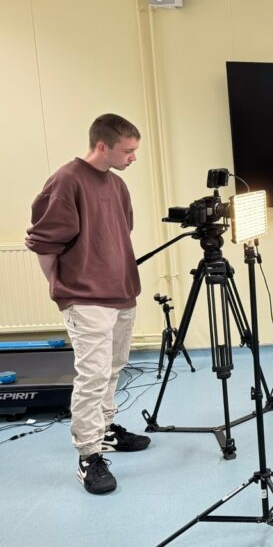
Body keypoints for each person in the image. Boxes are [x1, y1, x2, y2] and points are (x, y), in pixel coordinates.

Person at [26, 114, 151, 495]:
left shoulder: (117, 185)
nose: (133, 158)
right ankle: (88, 456)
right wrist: (60, 287)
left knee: (113, 369)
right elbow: (44, 243)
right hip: (85, 296)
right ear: (102, 146)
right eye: (127, 151)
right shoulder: (67, 180)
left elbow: (118, 235)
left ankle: (106, 431)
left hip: (121, 291)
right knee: (93, 376)